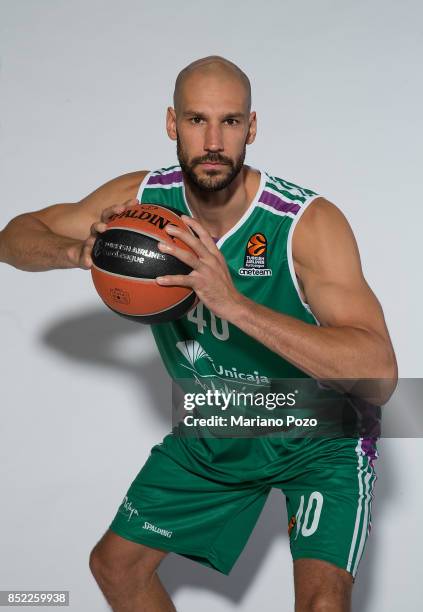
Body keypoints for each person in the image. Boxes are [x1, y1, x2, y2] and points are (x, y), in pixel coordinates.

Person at [0, 56, 397, 612]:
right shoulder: (140, 203)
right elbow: (14, 236)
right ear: (171, 124)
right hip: (218, 424)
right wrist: (81, 252)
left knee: (322, 605)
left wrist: (232, 303)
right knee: (116, 567)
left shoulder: (303, 222)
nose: (213, 141)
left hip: (320, 430)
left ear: (251, 129)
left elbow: (380, 378)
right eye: (196, 120)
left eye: (230, 122)